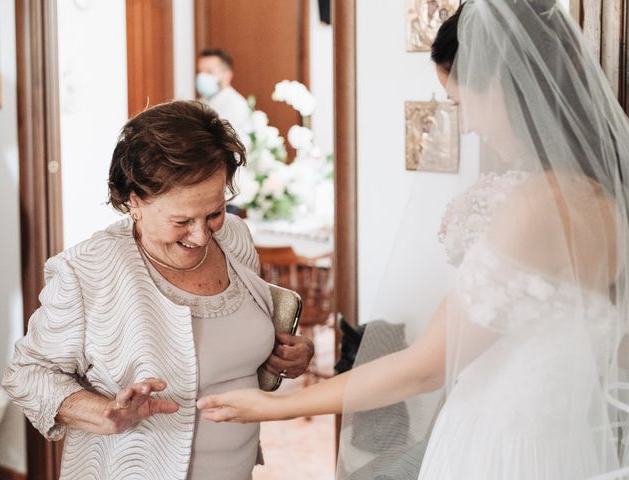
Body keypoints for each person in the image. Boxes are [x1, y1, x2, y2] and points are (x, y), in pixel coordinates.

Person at [198, 1, 629, 479]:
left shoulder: (534, 207)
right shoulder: (608, 199)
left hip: (501, 449)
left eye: (462, 104)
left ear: (504, 88)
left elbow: (424, 367)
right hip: (566, 445)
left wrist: (266, 407)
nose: (466, 126)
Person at [2, 100, 314, 480]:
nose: (201, 236)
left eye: (214, 212)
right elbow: (27, 373)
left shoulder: (235, 238)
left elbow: (230, 347)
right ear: (135, 201)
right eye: (181, 220)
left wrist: (286, 355)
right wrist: (103, 413)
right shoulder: (86, 271)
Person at [196, 48, 251, 136]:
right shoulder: (201, 102)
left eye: (209, 72)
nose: (203, 76)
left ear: (227, 75)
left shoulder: (236, 104)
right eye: (200, 71)